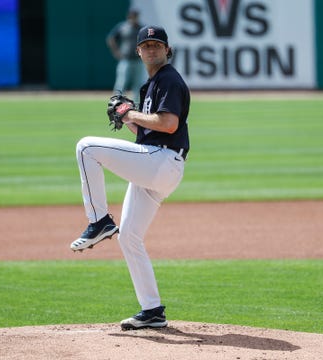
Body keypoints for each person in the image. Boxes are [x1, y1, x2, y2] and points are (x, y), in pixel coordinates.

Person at [71, 25, 190, 330]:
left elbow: (168, 124)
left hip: (162, 161)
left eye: (157, 45)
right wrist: (126, 117)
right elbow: (146, 133)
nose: (151, 49)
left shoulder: (169, 80)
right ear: (138, 51)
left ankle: (98, 221)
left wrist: (131, 112)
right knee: (129, 237)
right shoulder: (149, 85)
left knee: (86, 147)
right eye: (146, 45)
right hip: (155, 163)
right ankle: (152, 310)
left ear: (167, 50)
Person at [106, 8, 146, 98]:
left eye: (135, 16)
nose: (134, 18)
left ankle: (137, 104)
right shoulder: (123, 27)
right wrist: (116, 52)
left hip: (138, 60)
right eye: (132, 16)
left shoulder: (142, 28)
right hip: (125, 59)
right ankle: (116, 103)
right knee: (121, 83)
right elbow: (111, 39)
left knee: (138, 85)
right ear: (129, 16)